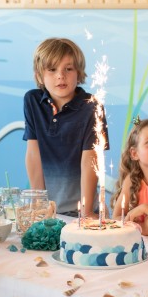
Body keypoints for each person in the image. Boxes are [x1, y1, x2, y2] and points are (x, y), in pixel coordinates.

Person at [23, 37, 108, 217]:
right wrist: (38, 204)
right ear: (39, 75)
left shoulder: (92, 107)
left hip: (81, 210)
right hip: (48, 210)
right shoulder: (32, 101)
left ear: (78, 72)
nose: (60, 76)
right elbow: (33, 153)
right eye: (52, 70)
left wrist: (85, 212)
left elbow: (90, 161)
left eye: (68, 69)